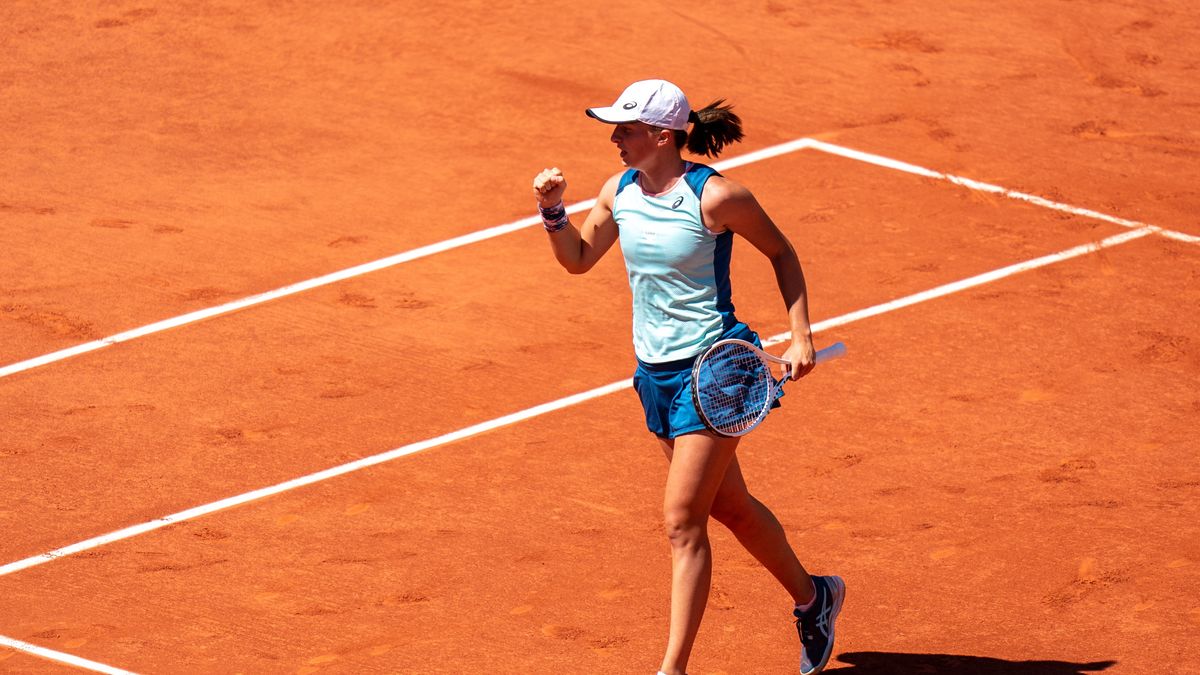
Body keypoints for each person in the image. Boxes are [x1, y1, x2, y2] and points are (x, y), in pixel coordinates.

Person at [531, 79, 844, 675]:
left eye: (625, 129)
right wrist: (552, 211)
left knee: (682, 520)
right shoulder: (617, 191)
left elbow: (782, 252)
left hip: (715, 373)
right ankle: (815, 596)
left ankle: (671, 669)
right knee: (732, 508)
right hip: (655, 375)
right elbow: (576, 260)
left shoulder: (716, 197)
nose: (615, 139)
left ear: (662, 136)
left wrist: (800, 331)